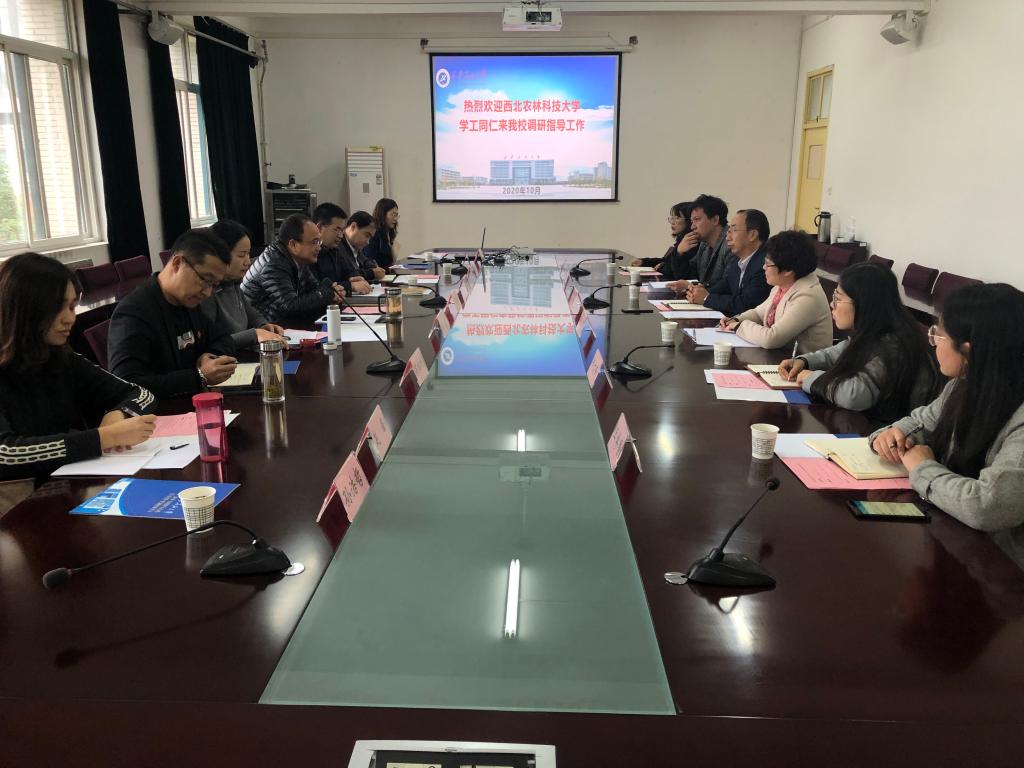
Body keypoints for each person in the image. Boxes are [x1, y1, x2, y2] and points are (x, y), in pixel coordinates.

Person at [870, 284, 1024, 563]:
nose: (933, 343)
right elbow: (918, 422)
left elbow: (987, 507)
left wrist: (923, 468)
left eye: (938, 334)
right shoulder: (961, 386)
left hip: (1002, 572)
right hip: (955, 540)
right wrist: (891, 435)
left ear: (969, 350)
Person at [0, 253, 157, 482]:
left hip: (65, 483)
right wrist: (103, 438)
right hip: (19, 496)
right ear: (24, 309)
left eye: (72, 306)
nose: (69, 319)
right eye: (59, 308)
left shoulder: (59, 357)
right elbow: (6, 455)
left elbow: (141, 393)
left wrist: (119, 413)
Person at [777, 262, 941, 423]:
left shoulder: (894, 344)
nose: (832, 304)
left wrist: (812, 379)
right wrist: (804, 361)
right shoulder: (875, 330)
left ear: (864, 303)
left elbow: (854, 395)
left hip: (888, 432)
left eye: (838, 298)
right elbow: (838, 352)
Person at [109, 230, 238, 399]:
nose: (207, 293)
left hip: (193, 401)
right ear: (177, 263)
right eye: (206, 280)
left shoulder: (189, 302)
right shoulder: (134, 313)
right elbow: (127, 383)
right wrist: (198, 377)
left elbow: (223, 337)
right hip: (159, 410)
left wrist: (210, 356)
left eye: (214, 285)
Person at [718, 229, 831, 353]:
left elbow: (771, 338)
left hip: (802, 363)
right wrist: (736, 319)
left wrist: (739, 326)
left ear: (788, 270)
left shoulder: (808, 296)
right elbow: (759, 313)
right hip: (780, 357)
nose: (763, 267)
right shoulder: (783, 284)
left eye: (768, 264)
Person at [242, 213, 347, 326]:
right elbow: (289, 306)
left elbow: (314, 291)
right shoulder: (273, 264)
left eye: (319, 242)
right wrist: (326, 294)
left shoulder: (299, 260)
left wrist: (332, 295)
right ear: (293, 245)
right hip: (264, 329)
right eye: (314, 242)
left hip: (284, 325)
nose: (319, 247)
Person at [202, 220, 287, 350]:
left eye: (248, 254)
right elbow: (213, 342)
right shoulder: (206, 292)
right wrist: (255, 334)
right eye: (241, 255)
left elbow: (252, 314)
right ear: (221, 254)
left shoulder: (233, 282)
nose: (247, 262)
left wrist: (264, 326)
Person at [687, 209, 771, 315]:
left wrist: (706, 297)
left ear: (752, 235)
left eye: (734, 231)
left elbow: (746, 305)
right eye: (728, 231)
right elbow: (725, 285)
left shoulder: (766, 265)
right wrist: (699, 290)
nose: (727, 238)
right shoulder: (738, 260)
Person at [666, 194, 733, 292]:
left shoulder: (731, 244)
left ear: (715, 220)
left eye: (697, 220)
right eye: (692, 221)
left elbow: (728, 286)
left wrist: (690, 286)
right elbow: (688, 277)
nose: (692, 227)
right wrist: (679, 253)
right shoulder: (704, 245)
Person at [311, 203, 373, 295]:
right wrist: (350, 286)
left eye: (342, 230)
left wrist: (357, 279)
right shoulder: (309, 253)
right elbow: (317, 288)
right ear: (319, 227)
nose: (340, 235)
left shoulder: (335, 249)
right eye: (337, 230)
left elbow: (350, 272)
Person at [629, 201, 699, 280]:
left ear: (689, 221)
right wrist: (643, 262)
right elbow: (666, 260)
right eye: (672, 218)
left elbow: (679, 274)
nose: (672, 222)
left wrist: (663, 266)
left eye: (677, 218)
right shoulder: (681, 240)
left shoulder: (693, 242)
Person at [362, 198, 399, 270]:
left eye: (396, 215)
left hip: (388, 272)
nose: (395, 219)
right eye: (393, 215)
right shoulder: (374, 234)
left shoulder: (389, 233)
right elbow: (372, 263)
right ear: (382, 214)